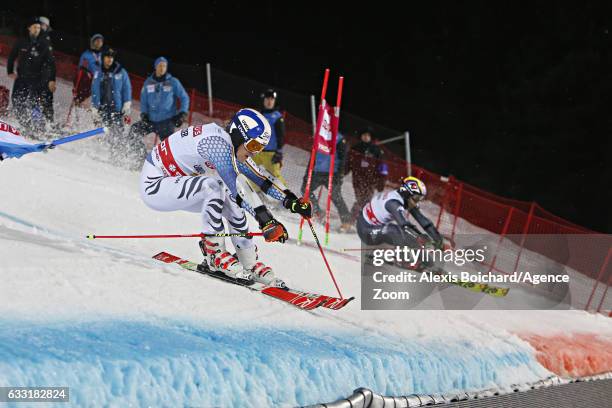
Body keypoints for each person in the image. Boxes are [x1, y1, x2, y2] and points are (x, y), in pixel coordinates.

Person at [139, 108, 311, 286]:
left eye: (259, 148)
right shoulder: (215, 143)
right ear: (239, 135)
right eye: (253, 146)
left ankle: (248, 260)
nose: (254, 153)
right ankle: (214, 252)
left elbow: (261, 177)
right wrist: (266, 220)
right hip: (155, 185)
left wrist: (291, 201)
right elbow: (236, 184)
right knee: (215, 187)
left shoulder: (231, 145)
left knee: (228, 196)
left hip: (175, 186)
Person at [357, 176, 443, 252]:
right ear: (406, 192)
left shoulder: (406, 199)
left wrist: (438, 240)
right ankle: (406, 258)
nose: (417, 202)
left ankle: (411, 256)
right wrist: (423, 239)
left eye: (420, 198)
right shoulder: (393, 203)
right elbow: (406, 226)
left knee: (401, 232)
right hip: (365, 231)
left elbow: (423, 221)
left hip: (373, 228)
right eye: (416, 198)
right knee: (396, 230)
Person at [7, 17, 55, 134]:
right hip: (22, 78)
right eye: (34, 27)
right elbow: (12, 56)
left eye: (38, 28)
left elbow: (51, 63)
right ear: (29, 28)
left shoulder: (44, 43)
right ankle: (26, 125)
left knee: (35, 103)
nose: (37, 30)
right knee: (17, 101)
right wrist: (10, 71)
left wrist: (51, 79)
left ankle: (39, 128)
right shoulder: (21, 41)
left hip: (37, 80)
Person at [130, 57, 189, 143]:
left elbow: (184, 98)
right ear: (155, 67)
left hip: (167, 122)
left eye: (164, 66)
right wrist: (144, 113)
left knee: (169, 146)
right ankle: (139, 155)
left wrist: (182, 113)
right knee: (134, 131)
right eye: (160, 65)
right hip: (150, 120)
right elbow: (144, 100)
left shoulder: (173, 82)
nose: (162, 68)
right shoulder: (148, 82)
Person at [301, 132, 352, 232]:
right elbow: (313, 156)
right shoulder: (320, 136)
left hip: (332, 174)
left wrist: (340, 175)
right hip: (317, 172)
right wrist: (308, 173)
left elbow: (343, 159)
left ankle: (346, 222)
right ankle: (317, 212)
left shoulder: (340, 139)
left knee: (336, 196)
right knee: (305, 190)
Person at [91, 48, 132, 157]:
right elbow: (95, 90)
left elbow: (127, 88)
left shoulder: (120, 71)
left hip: (117, 109)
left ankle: (117, 154)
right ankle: (101, 151)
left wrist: (127, 103)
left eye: (111, 57)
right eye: (107, 57)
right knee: (104, 130)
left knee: (118, 131)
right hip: (103, 108)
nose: (110, 59)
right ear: (103, 58)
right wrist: (95, 107)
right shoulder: (98, 72)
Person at [346, 128, 386, 218]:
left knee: (365, 200)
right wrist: (343, 172)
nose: (365, 137)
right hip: (357, 178)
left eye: (368, 135)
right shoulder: (356, 148)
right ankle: (356, 219)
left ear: (371, 137)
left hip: (371, 180)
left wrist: (381, 182)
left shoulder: (376, 150)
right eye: (364, 135)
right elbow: (349, 162)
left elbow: (382, 167)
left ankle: (352, 219)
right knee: (361, 200)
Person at [252, 89, 286, 183]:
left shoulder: (277, 117)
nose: (269, 101)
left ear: (274, 101)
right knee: (249, 170)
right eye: (267, 99)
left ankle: (288, 196)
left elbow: (281, 136)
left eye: (272, 99)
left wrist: (279, 152)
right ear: (263, 100)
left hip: (270, 154)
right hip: (257, 152)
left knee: (275, 177)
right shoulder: (259, 114)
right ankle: (254, 192)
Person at [74, 34, 105, 104]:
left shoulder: (103, 55)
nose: (99, 43)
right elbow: (80, 71)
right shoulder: (86, 54)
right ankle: (79, 101)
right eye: (97, 41)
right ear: (93, 42)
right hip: (88, 82)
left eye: (100, 41)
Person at [37, 16, 56, 124]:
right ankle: (44, 123)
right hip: (40, 75)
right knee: (39, 99)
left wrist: (51, 78)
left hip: (44, 75)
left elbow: (51, 61)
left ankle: (48, 123)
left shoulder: (44, 39)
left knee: (44, 99)